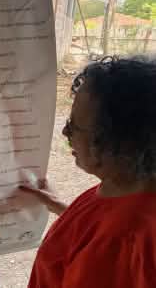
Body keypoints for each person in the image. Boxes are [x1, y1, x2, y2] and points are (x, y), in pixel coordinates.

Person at [20, 56, 156, 287]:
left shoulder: (123, 239)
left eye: (74, 126)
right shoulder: (122, 188)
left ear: (121, 143)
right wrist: (65, 209)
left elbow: (109, 247)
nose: (65, 132)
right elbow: (99, 235)